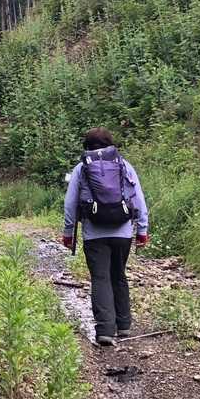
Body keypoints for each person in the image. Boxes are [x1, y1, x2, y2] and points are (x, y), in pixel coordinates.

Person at [61, 127, 150, 347]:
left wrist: (68, 233)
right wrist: (142, 230)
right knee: (119, 275)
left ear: (87, 146)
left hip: (94, 234)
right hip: (122, 231)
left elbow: (70, 204)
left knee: (100, 278)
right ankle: (124, 325)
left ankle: (105, 331)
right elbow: (138, 198)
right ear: (111, 144)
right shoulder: (124, 165)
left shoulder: (81, 168)